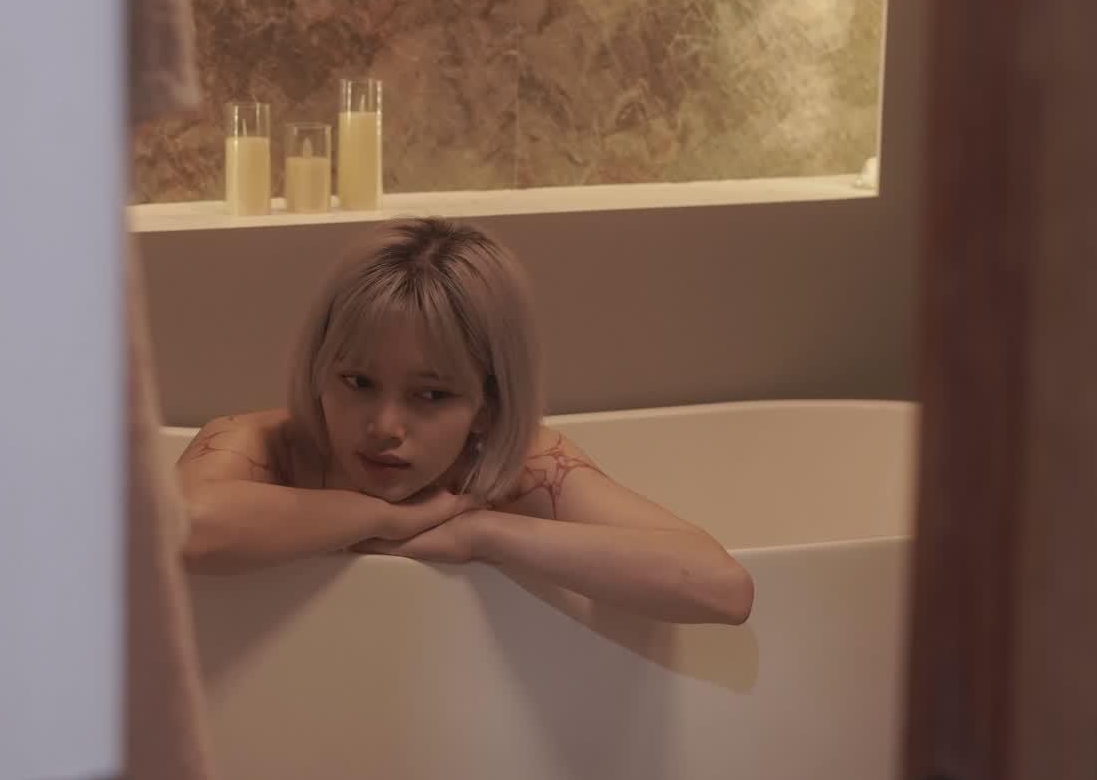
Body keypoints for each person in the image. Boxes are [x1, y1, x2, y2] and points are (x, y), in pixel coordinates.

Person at [176, 217, 753, 625]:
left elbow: (721, 587)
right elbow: (183, 528)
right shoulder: (260, 446)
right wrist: (386, 517)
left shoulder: (522, 468)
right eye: (357, 382)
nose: (385, 425)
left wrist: (482, 533)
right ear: (318, 368)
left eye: (430, 395)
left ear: (488, 405)